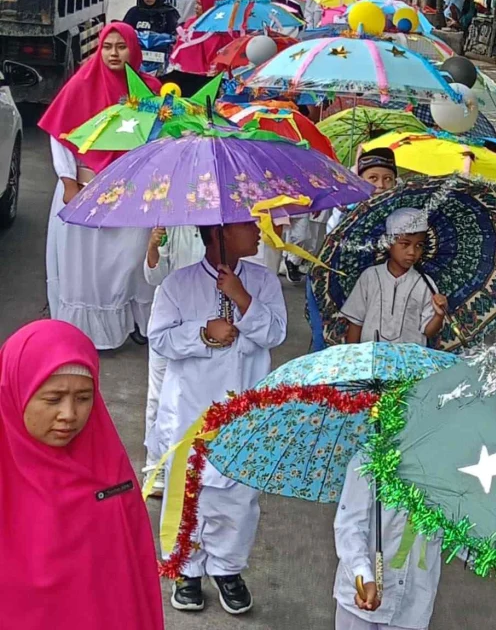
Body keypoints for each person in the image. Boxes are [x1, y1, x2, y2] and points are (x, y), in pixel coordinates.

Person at [148, 221, 287, 614]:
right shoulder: (178, 284)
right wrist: (203, 333)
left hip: (244, 408)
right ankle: (187, 569)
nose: (259, 232)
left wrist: (243, 299)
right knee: (190, 490)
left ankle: (227, 568)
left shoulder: (262, 281)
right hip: (192, 408)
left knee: (238, 496)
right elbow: (160, 338)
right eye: (248, 225)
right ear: (221, 232)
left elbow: (276, 333)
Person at [0, 319, 164, 630]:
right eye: (52, 399)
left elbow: (131, 585)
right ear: (13, 391)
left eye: (84, 397)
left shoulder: (110, 474)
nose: (69, 415)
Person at [40, 23, 162, 350]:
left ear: (133, 50)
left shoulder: (149, 90)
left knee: (130, 261)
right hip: (84, 189)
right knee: (85, 265)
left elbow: (161, 136)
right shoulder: (82, 83)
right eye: (107, 46)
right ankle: (85, 334)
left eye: (121, 47)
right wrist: (68, 182)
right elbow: (60, 137)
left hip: (133, 194)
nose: (113, 53)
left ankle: (137, 324)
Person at [333, 453, 441, 630]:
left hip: (412, 604)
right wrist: (364, 576)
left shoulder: (450, 472)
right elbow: (350, 526)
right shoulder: (368, 460)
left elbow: (458, 532)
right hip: (358, 602)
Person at [141, 225, 205, 494]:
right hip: (168, 320)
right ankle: (155, 467)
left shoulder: (220, 228)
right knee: (158, 395)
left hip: (204, 319)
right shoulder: (170, 222)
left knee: (197, 393)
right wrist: (154, 246)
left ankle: (192, 465)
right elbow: (154, 277)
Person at [341, 208, 447, 345]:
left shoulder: (425, 284)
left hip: (409, 360)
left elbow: (428, 331)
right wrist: (352, 357)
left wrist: (439, 315)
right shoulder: (370, 277)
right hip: (371, 357)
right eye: (405, 244)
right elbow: (356, 321)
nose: (412, 252)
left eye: (419, 245)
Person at [325, 147, 398, 234]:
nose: (381, 185)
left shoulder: (403, 211)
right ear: (360, 182)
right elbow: (333, 235)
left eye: (388, 178)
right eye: (373, 178)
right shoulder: (346, 209)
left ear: (395, 183)